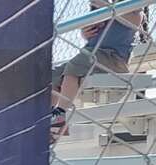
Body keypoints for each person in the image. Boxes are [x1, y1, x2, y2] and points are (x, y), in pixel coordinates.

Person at [51, 1, 143, 140]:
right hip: (92, 55)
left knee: (76, 65)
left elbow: (134, 21)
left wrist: (106, 6)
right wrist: (85, 32)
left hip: (113, 59)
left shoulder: (133, 11)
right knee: (53, 75)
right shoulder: (99, 10)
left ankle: (60, 115)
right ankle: (46, 115)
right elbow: (90, 32)